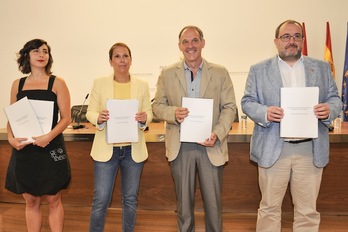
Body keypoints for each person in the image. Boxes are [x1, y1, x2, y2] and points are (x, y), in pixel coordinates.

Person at [241, 20, 342, 232]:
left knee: (307, 211)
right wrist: (265, 112)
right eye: (286, 37)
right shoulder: (259, 70)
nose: (292, 41)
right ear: (276, 41)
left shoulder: (322, 68)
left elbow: (335, 99)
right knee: (269, 207)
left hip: (310, 149)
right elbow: (247, 102)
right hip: (273, 147)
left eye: (297, 36)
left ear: (302, 40)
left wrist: (329, 110)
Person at [152, 25, 237, 232]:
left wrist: (217, 133)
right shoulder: (168, 73)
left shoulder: (220, 72)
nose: (190, 46)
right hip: (180, 146)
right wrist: (173, 114)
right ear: (180, 46)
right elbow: (156, 106)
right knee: (184, 206)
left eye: (195, 40)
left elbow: (229, 107)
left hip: (211, 145)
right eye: (185, 42)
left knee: (214, 204)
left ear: (203, 43)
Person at [5, 39, 71, 232]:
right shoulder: (17, 84)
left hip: (50, 147)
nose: (42, 55)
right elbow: (12, 117)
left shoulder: (57, 82)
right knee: (31, 200)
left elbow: (66, 118)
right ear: (27, 56)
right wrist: (10, 138)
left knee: (53, 199)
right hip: (25, 150)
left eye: (45, 51)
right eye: (36, 51)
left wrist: (47, 137)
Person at [86, 42, 153, 232]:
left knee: (130, 199)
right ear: (110, 61)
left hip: (133, 150)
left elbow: (149, 112)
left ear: (131, 60)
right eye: (117, 56)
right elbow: (90, 111)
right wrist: (98, 117)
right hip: (106, 150)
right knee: (101, 199)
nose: (122, 60)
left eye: (125, 56)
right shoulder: (100, 83)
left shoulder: (142, 85)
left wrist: (144, 118)